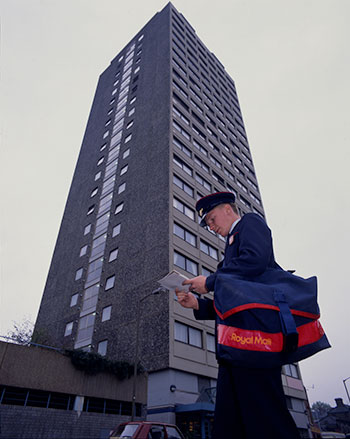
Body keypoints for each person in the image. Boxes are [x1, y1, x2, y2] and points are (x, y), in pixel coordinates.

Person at [175, 192, 301, 439]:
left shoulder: (250, 223)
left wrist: (210, 282)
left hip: (256, 343)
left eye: (211, 219)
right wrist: (196, 304)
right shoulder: (230, 249)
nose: (211, 227)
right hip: (234, 348)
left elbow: (255, 260)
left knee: (266, 418)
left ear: (227, 209)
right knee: (229, 422)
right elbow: (233, 303)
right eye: (208, 224)